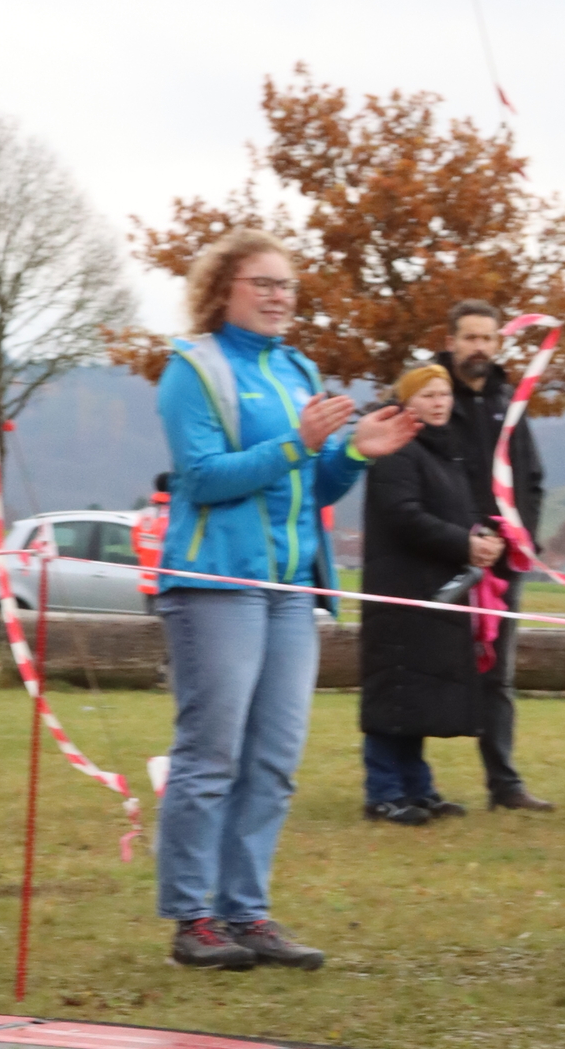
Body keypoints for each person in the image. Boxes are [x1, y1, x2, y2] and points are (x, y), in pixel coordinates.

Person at [153, 228, 413, 970]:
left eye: (287, 286)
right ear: (222, 290)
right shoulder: (193, 369)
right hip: (218, 583)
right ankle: (193, 920)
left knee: (273, 759)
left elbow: (314, 485)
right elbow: (202, 478)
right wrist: (298, 443)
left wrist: (356, 451)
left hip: (293, 588)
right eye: (262, 284)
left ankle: (247, 913)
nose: (278, 297)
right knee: (211, 757)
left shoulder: (298, 370)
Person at [359, 365, 503, 822]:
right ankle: (383, 791)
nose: (439, 403)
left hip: (436, 591)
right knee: (395, 691)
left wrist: (483, 535)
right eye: (428, 395)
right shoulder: (397, 451)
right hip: (399, 590)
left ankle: (417, 788)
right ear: (406, 402)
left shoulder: (446, 452)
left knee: (416, 695)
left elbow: (459, 512)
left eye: (444, 394)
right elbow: (403, 516)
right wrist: (464, 543)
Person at [436, 303, 553, 812]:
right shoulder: (433, 397)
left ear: (498, 344)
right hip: (445, 554)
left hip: (504, 565)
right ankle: (409, 782)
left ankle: (504, 784)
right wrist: (463, 535)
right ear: (451, 341)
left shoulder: (510, 402)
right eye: (469, 337)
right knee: (428, 666)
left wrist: (521, 537)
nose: (479, 347)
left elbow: (532, 478)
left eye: (487, 338)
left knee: (497, 677)